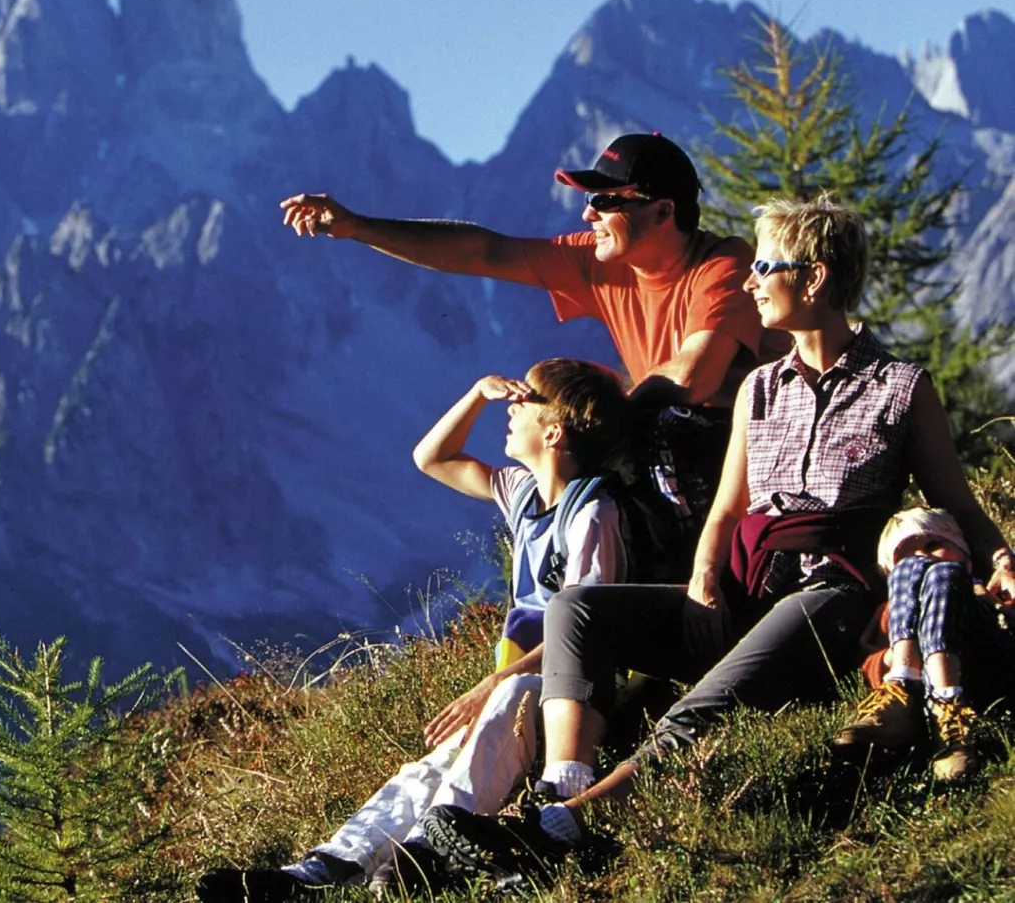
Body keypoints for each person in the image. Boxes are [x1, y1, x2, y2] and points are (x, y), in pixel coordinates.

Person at [411, 195, 1015, 879]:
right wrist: (702, 577)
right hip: (738, 581)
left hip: (830, 591)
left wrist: (1000, 558)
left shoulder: (900, 388)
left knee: (707, 699)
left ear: (812, 279)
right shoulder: (760, 387)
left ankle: (568, 829)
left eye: (764, 267)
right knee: (574, 610)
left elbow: (955, 501)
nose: (749, 281)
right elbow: (727, 508)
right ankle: (562, 787)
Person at [195, 358, 630, 901]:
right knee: (430, 765)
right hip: (516, 677)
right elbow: (433, 457)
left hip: (561, 690)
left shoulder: (591, 512)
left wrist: (493, 684)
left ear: (554, 430)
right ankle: (324, 869)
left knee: (509, 700)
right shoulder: (521, 493)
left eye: (526, 399)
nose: (511, 406)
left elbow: (585, 631)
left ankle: (427, 851)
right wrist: (477, 393)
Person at [282, 132, 769, 567]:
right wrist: (358, 227)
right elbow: (487, 252)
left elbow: (694, 377)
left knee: (666, 427)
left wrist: (598, 420)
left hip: (740, 464)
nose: (588, 213)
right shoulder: (596, 260)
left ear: (663, 211)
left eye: (605, 200)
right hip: (670, 462)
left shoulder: (722, 263)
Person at [835, 507, 1015, 780]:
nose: (921, 557)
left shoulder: (992, 591)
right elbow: (866, 662)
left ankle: (946, 704)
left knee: (943, 575)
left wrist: (995, 601)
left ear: (966, 554)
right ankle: (909, 692)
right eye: (905, 557)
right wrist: (891, 658)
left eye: (934, 545)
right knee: (926, 576)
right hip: (921, 684)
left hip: (987, 667)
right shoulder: (892, 611)